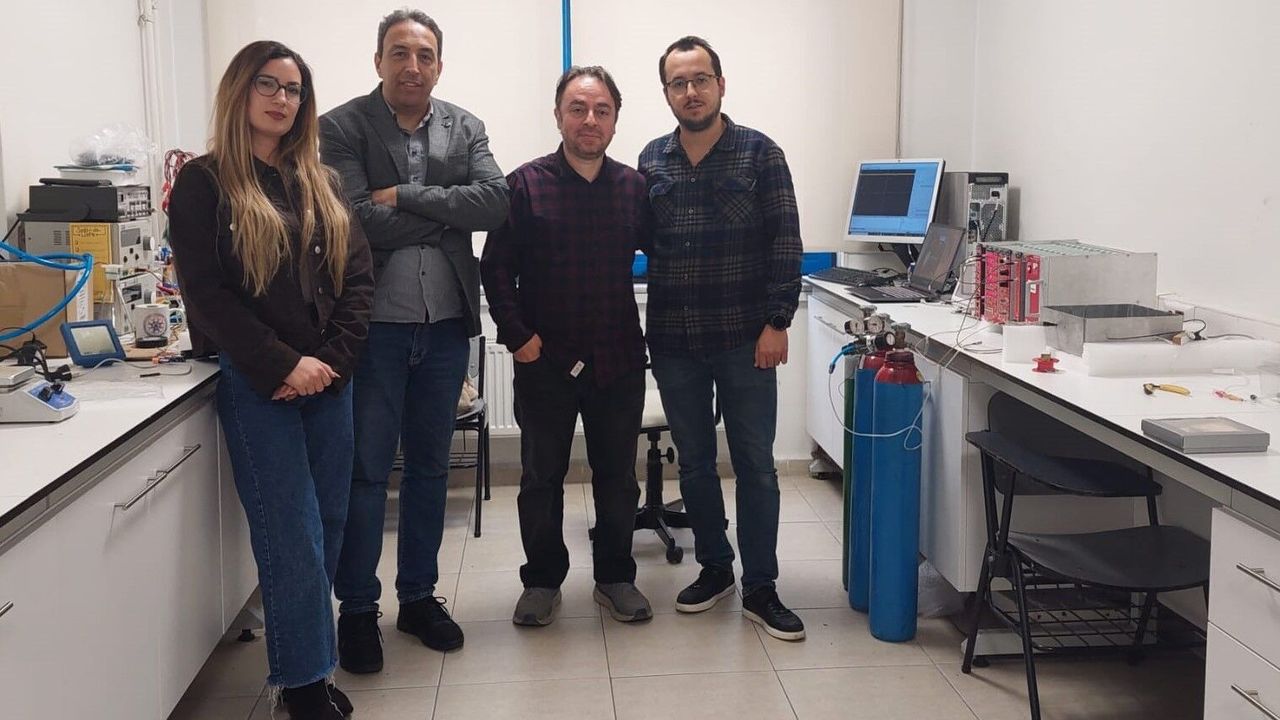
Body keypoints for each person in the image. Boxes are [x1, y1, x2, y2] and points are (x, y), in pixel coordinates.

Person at [168, 41, 373, 719]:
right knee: (292, 533)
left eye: (294, 89)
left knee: (330, 524)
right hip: (261, 385)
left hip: (328, 382)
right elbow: (208, 295)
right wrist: (284, 364)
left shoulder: (322, 182)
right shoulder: (204, 183)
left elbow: (358, 282)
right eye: (268, 84)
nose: (282, 99)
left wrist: (329, 363)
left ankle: (310, 663)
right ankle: (305, 684)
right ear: (240, 90)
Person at [320, 8, 510, 671]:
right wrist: (446, 214)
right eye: (399, 53)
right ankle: (358, 609)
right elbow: (354, 222)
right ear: (378, 61)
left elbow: (495, 203)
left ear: (439, 65)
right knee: (368, 472)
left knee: (431, 468)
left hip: (446, 327)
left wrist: (403, 196)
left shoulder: (465, 125)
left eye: (424, 55)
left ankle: (419, 597)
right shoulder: (340, 127)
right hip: (372, 331)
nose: (412, 65)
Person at [637, 35, 806, 640]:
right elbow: (634, 239)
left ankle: (761, 584)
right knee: (696, 464)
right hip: (674, 340)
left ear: (720, 85)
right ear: (667, 93)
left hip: (745, 338)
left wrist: (777, 322)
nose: (691, 91)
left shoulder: (760, 154)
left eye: (700, 79)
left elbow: (786, 239)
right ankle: (715, 568)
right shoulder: (651, 160)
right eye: (678, 82)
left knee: (756, 466)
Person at [481, 66, 651, 627]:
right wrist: (518, 337)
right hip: (545, 361)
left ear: (615, 120)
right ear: (558, 116)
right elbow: (495, 268)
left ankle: (615, 577)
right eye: (578, 108)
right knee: (541, 478)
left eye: (602, 110)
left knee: (618, 478)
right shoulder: (524, 186)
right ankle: (542, 581)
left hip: (617, 359)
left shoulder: (634, 189)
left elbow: (670, 257)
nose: (589, 120)